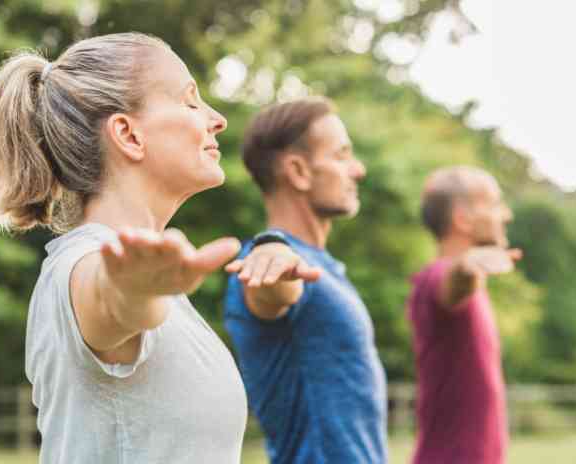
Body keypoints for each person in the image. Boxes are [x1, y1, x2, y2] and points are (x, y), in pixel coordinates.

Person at [0, 32, 247, 463]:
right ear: (128, 134)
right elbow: (109, 299)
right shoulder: (83, 267)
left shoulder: (160, 287)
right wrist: (132, 291)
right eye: (190, 101)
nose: (217, 119)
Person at [223, 98, 388, 464]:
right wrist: (273, 254)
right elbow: (272, 290)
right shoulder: (266, 263)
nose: (357, 169)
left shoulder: (323, 268)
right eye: (342, 155)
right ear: (298, 171)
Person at [407, 166, 522, 464]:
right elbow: (451, 283)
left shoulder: (473, 287)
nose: (506, 214)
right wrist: (465, 267)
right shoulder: (436, 277)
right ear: (463, 218)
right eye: (495, 203)